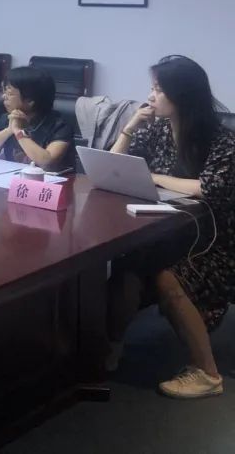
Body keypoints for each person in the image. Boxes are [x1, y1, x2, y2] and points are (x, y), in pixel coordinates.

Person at [105, 55, 235, 398]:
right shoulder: (157, 130)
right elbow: (113, 167)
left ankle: (207, 374)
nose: (151, 96)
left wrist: (155, 178)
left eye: (159, 90)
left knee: (165, 277)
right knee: (127, 269)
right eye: (152, 88)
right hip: (166, 233)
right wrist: (129, 127)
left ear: (183, 96)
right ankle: (109, 347)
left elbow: (209, 187)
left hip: (213, 243)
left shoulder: (220, 139)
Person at [0, 67, 73, 170]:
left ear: (30, 101)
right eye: (4, 92)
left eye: (10, 94)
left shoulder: (59, 126)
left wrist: (19, 132)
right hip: (13, 176)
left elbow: (47, 162)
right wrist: (9, 130)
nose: (4, 97)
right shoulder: (9, 118)